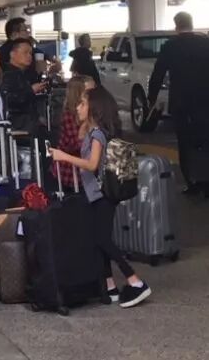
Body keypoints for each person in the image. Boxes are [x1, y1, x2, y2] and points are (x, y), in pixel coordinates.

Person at [50, 87, 152, 309]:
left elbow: (92, 164)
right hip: (96, 195)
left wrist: (63, 156)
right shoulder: (94, 132)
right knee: (98, 240)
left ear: (94, 108)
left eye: (83, 104)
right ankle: (110, 286)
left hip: (102, 195)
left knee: (102, 240)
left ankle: (135, 281)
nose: (78, 108)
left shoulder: (97, 135)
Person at [148, 12, 209, 198]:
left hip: (181, 104)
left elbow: (158, 73)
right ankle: (207, 183)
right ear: (192, 24)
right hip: (205, 102)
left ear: (176, 26)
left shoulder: (170, 46)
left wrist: (151, 98)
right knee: (205, 140)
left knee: (184, 143)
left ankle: (192, 183)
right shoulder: (205, 43)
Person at [49, 76, 95, 189]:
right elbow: (76, 146)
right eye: (90, 91)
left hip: (84, 171)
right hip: (70, 173)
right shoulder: (69, 116)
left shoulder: (92, 111)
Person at [0, 39, 48, 134]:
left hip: (27, 123)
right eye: (25, 52)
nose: (29, 56)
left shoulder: (23, 74)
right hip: (17, 126)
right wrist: (31, 90)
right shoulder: (8, 74)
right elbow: (9, 100)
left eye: (30, 53)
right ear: (12, 54)